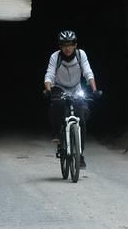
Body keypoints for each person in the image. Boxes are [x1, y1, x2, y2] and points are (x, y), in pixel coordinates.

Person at [43, 30, 97, 168]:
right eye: (64, 45)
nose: (67, 48)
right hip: (59, 87)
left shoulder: (81, 55)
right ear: (60, 46)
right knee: (58, 105)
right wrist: (48, 89)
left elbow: (87, 71)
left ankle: (80, 154)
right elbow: (49, 74)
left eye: (70, 44)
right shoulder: (55, 57)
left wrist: (94, 89)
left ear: (75, 45)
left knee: (82, 118)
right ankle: (57, 134)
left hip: (76, 88)